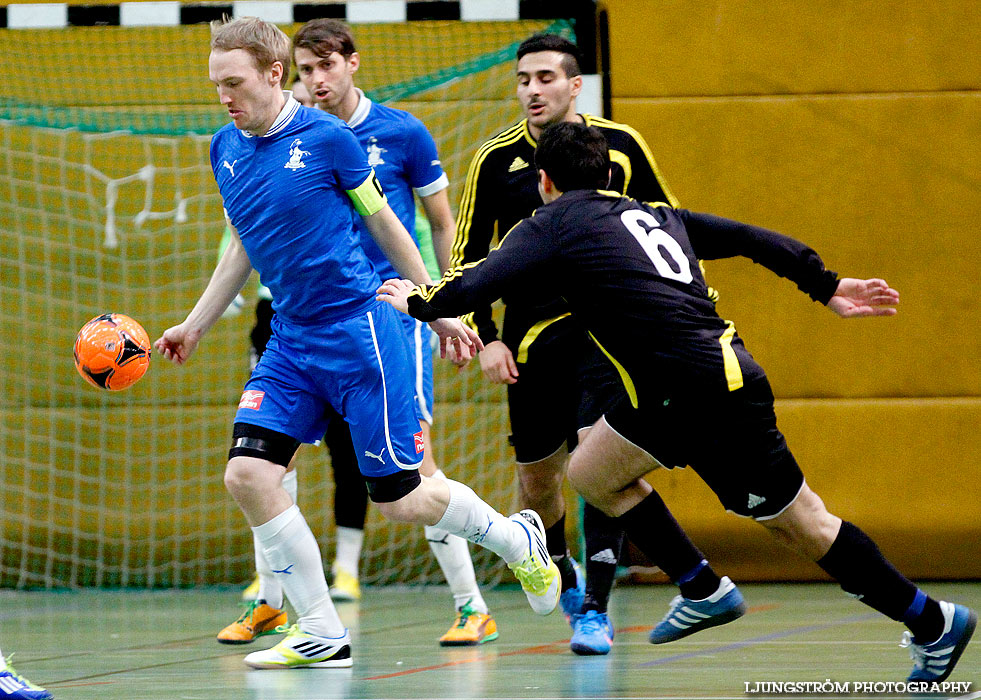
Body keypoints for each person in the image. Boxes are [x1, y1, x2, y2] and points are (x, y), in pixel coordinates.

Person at [378, 121, 976, 683]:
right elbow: (748, 238)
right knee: (600, 474)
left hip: (691, 392)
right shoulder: (655, 215)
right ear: (611, 175)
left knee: (793, 522)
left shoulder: (551, 222)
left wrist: (418, 302)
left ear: (544, 182)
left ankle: (912, 618)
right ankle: (719, 589)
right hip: (711, 380)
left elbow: (480, 279)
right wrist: (823, 282)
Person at [155, 16, 559, 670]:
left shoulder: (329, 139)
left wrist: (437, 306)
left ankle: (515, 539)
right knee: (248, 474)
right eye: (215, 84)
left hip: (360, 330)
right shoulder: (223, 147)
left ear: (271, 73)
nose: (223, 96)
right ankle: (319, 628)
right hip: (291, 338)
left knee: (402, 498)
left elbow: (386, 222)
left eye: (234, 83)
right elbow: (243, 246)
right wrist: (194, 325)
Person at [451, 33, 736, 655]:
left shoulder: (623, 144)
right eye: (524, 79)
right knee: (537, 482)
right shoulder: (495, 162)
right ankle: (567, 582)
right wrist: (487, 337)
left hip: (608, 335)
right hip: (530, 340)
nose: (533, 89)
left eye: (546, 78)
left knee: (596, 457)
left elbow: (673, 230)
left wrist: (687, 315)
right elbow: (467, 259)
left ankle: (596, 610)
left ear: (575, 85)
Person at [290, 18, 497, 646]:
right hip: (316, 319)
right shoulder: (294, 135)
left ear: (354, 63)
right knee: (267, 457)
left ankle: (472, 605)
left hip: (390, 313)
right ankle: (274, 602)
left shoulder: (402, 132)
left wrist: (444, 306)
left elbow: (439, 224)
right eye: (305, 70)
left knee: (416, 464)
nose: (316, 80)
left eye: (327, 65)